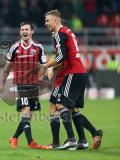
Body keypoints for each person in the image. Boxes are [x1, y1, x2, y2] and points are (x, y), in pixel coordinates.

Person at [42, 9, 102, 150]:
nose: (46, 24)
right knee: (72, 109)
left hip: (70, 74)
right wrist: (50, 68)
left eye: (47, 21)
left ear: (56, 21)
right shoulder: (68, 34)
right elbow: (64, 57)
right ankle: (85, 139)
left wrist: (46, 66)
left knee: (59, 105)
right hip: (78, 72)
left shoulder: (60, 34)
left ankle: (69, 140)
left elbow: (62, 59)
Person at [0, 22, 47, 149]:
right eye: (22, 29)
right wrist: (2, 83)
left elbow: (44, 65)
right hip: (21, 84)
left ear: (32, 31)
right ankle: (31, 142)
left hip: (34, 85)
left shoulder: (38, 47)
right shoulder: (14, 47)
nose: (24, 31)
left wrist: (42, 75)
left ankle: (14, 137)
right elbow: (7, 67)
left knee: (30, 115)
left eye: (26, 29)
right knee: (25, 111)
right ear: (20, 32)